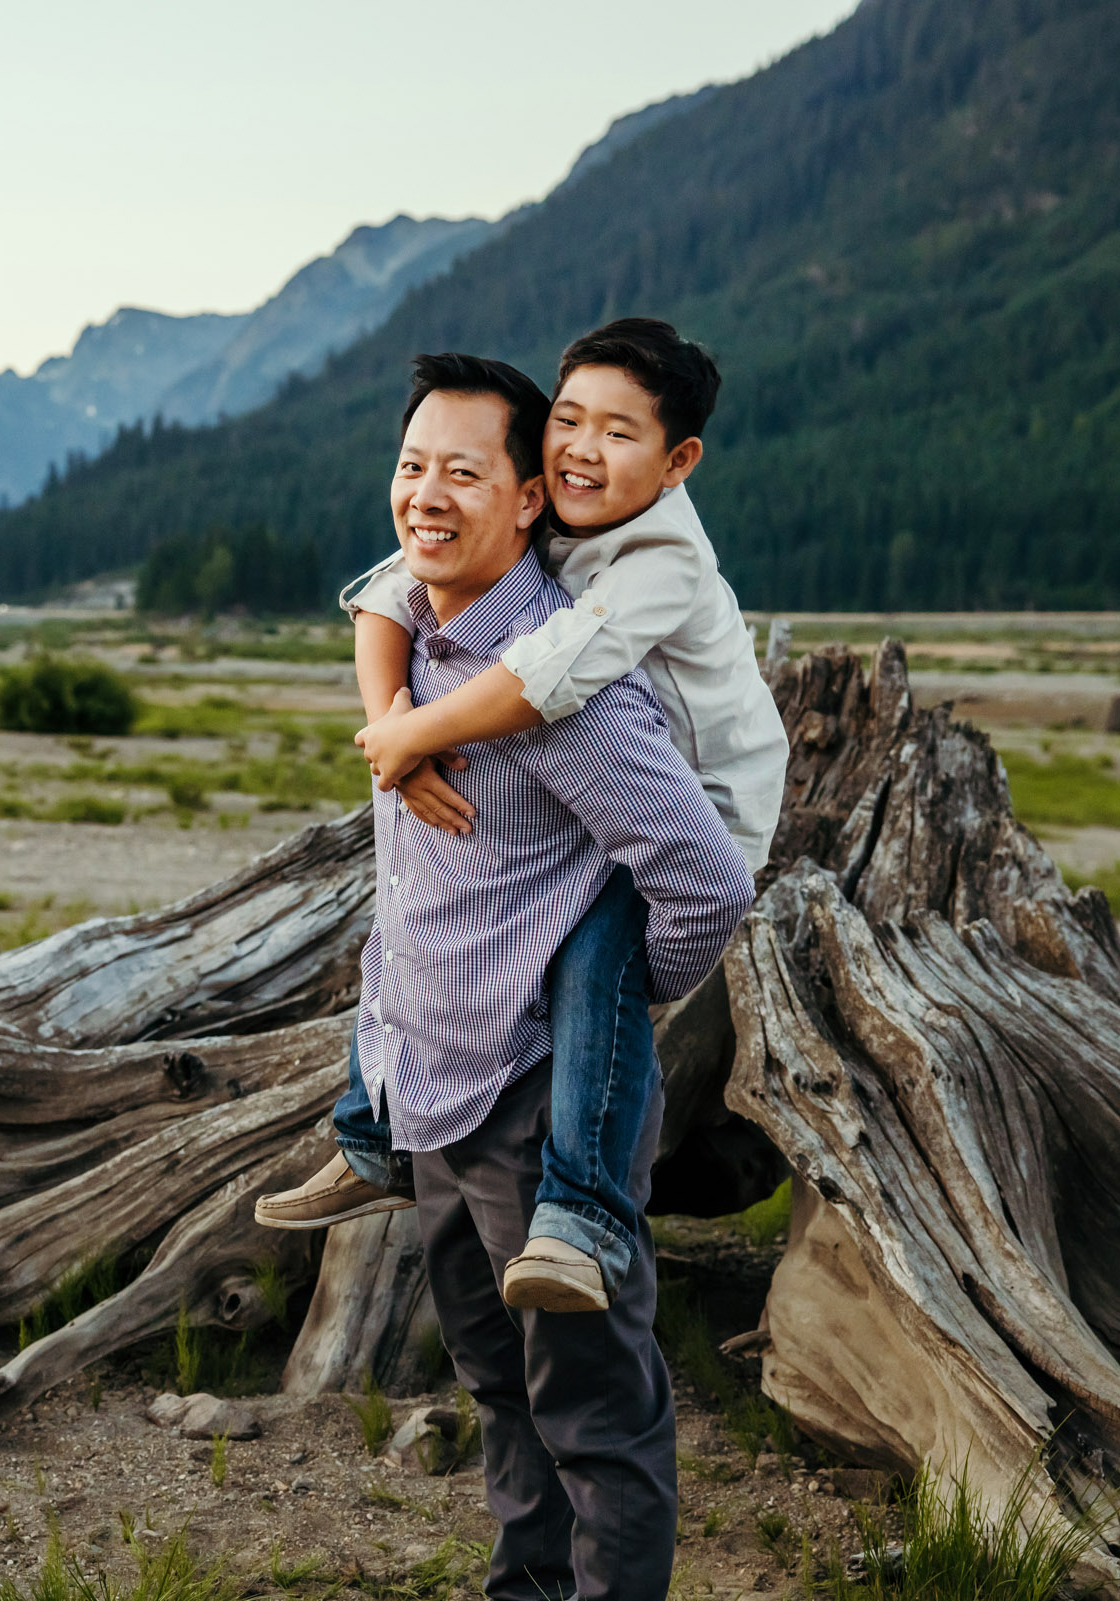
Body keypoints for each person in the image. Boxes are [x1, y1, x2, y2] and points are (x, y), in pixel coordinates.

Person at [266, 353, 754, 1601]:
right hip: (430, 1088)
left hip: (539, 1103)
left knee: (594, 1411)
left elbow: (706, 878)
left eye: (463, 471)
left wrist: (602, 1006)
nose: (426, 492)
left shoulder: (564, 688)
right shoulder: (416, 639)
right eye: (411, 465)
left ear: (532, 496)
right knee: (497, 1388)